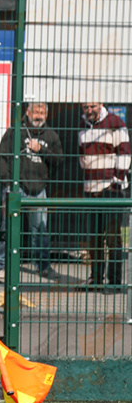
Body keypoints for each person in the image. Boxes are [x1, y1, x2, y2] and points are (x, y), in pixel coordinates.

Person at [0, 102, 63, 281]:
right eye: (35, 111)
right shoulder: (16, 131)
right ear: (27, 112)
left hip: (38, 190)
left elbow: (59, 160)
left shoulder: (51, 135)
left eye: (42, 112)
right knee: (7, 228)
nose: (38, 115)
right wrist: (9, 183)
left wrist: (42, 150)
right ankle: (0, 267)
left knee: (40, 230)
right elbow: (1, 158)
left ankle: (43, 267)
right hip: (16, 187)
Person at [78, 101, 130, 290]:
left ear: (100, 104)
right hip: (90, 188)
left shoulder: (116, 122)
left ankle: (115, 282)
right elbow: (82, 156)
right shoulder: (82, 125)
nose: (89, 110)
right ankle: (96, 279)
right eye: (86, 107)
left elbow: (125, 152)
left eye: (92, 106)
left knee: (113, 237)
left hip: (111, 189)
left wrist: (117, 180)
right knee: (94, 237)